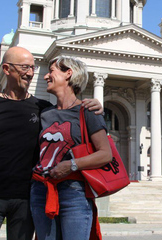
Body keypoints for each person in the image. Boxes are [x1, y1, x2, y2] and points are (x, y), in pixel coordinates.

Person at [0, 47, 102, 240]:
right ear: (7, 69)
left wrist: (94, 105)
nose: (32, 73)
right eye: (25, 67)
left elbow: (69, 114)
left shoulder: (44, 109)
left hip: (27, 199)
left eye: (33, 67)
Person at [30, 55, 112, 240]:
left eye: (51, 71)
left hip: (74, 192)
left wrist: (71, 165)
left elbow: (105, 154)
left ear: (68, 74)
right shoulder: (44, 113)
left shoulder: (87, 111)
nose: (45, 76)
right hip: (42, 190)